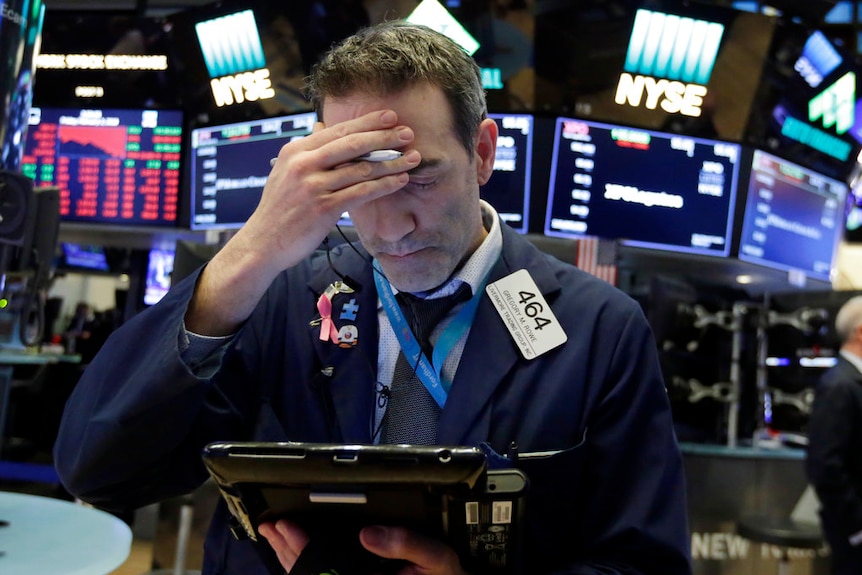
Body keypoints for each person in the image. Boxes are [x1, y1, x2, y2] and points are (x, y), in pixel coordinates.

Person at [54, 21, 691, 575]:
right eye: (352, 181)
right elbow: (101, 470)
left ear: (483, 151)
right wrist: (253, 251)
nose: (388, 227)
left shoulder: (597, 326)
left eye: (417, 175)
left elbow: (643, 563)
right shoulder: (280, 298)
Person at [806, 294, 862, 575]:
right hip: (853, 533)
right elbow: (824, 465)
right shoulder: (839, 385)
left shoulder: (853, 380)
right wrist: (856, 527)